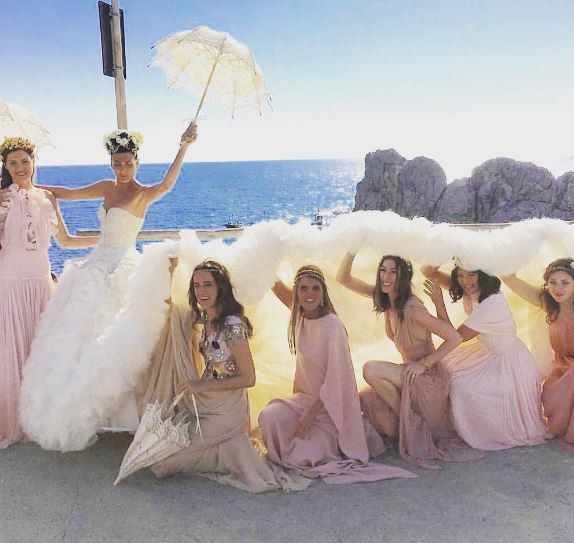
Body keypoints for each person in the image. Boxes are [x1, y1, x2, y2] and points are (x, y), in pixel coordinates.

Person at [19, 124, 197, 452]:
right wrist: (28, 186)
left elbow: (168, 183)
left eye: (128, 163)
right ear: (111, 164)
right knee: (75, 332)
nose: (123, 168)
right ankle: (78, 409)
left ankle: (123, 413)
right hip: (95, 264)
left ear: (137, 163)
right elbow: (67, 194)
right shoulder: (105, 187)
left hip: (121, 266)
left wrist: (184, 145)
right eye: (117, 163)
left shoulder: (143, 193)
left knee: (116, 336)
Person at [142, 260, 310, 492]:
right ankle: (229, 448)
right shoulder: (204, 317)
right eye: (197, 285)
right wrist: (171, 271)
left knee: (163, 462)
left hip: (227, 409)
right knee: (160, 452)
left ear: (220, 288)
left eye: (208, 285)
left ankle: (229, 451)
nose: (202, 291)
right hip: (205, 403)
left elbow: (249, 378)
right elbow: (173, 313)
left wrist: (200, 385)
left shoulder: (233, 325)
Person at [258, 265, 417, 483]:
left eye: (315, 288)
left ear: (323, 292)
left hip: (331, 408)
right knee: (269, 416)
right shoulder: (300, 314)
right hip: (303, 400)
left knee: (301, 456)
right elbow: (276, 285)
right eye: (304, 288)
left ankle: (337, 440)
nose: (310, 294)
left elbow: (336, 379)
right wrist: (259, 260)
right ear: (297, 292)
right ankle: (303, 443)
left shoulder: (332, 325)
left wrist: (312, 414)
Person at [336, 251, 483, 468]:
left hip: (427, 380)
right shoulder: (387, 299)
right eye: (383, 271)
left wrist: (425, 363)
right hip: (410, 374)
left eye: (393, 272)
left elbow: (454, 338)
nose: (386, 277)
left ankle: (413, 424)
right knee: (366, 399)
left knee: (370, 370)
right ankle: (408, 425)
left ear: (402, 277)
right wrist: (354, 246)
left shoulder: (412, 309)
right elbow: (343, 278)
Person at [0, 136, 99, 449]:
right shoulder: (0, 199)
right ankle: (14, 420)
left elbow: (65, 242)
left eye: (24, 161)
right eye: (13, 162)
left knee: (43, 350)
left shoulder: (47, 197)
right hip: (10, 283)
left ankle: (40, 418)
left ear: (33, 163)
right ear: (5, 166)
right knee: (12, 353)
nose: (19, 167)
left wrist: (105, 240)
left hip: (42, 282)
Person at [422, 262, 547, 450]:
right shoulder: (472, 287)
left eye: (471, 274)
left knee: (460, 386)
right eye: (460, 275)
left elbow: (454, 338)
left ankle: (475, 430)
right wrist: (447, 252)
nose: (465, 281)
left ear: (483, 274)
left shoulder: (492, 304)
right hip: (486, 352)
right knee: (444, 369)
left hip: (508, 363)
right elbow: (428, 271)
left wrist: (439, 303)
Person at [502, 259, 574, 460]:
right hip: (562, 366)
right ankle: (561, 426)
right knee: (549, 393)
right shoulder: (549, 303)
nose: (558, 289)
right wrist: (519, 252)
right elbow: (508, 278)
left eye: (565, 282)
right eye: (553, 282)